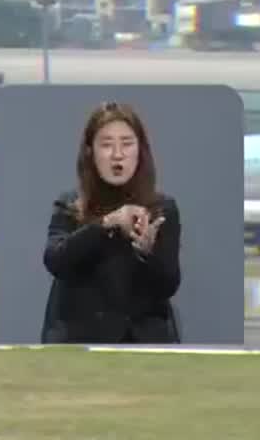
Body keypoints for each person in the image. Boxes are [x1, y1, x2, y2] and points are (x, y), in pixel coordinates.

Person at [40, 101, 182, 344]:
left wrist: (148, 253)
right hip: (79, 342)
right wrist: (106, 224)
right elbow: (56, 261)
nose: (118, 154)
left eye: (127, 144)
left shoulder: (162, 208)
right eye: (106, 145)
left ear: (140, 151)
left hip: (142, 343)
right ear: (90, 152)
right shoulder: (71, 205)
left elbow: (168, 284)